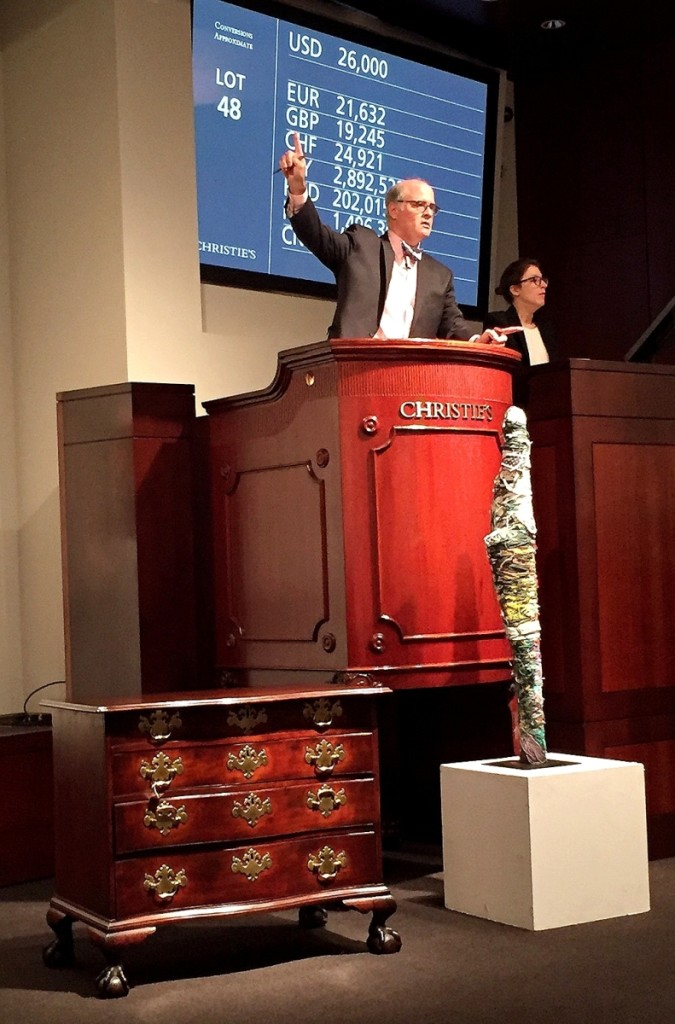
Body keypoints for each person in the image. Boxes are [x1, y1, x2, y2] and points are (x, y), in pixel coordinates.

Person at [279, 134, 522, 346]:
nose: (428, 212)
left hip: (408, 376)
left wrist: (480, 340)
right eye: (419, 205)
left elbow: (454, 326)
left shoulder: (440, 276)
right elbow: (316, 235)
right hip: (354, 365)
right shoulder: (362, 245)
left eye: (432, 208)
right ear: (393, 210)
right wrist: (298, 187)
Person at [483, 258, 557, 367]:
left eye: (542, 280)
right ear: (515, 290)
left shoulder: (547, 329)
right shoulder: (499, 322)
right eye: (534, 280)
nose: (544, 285)